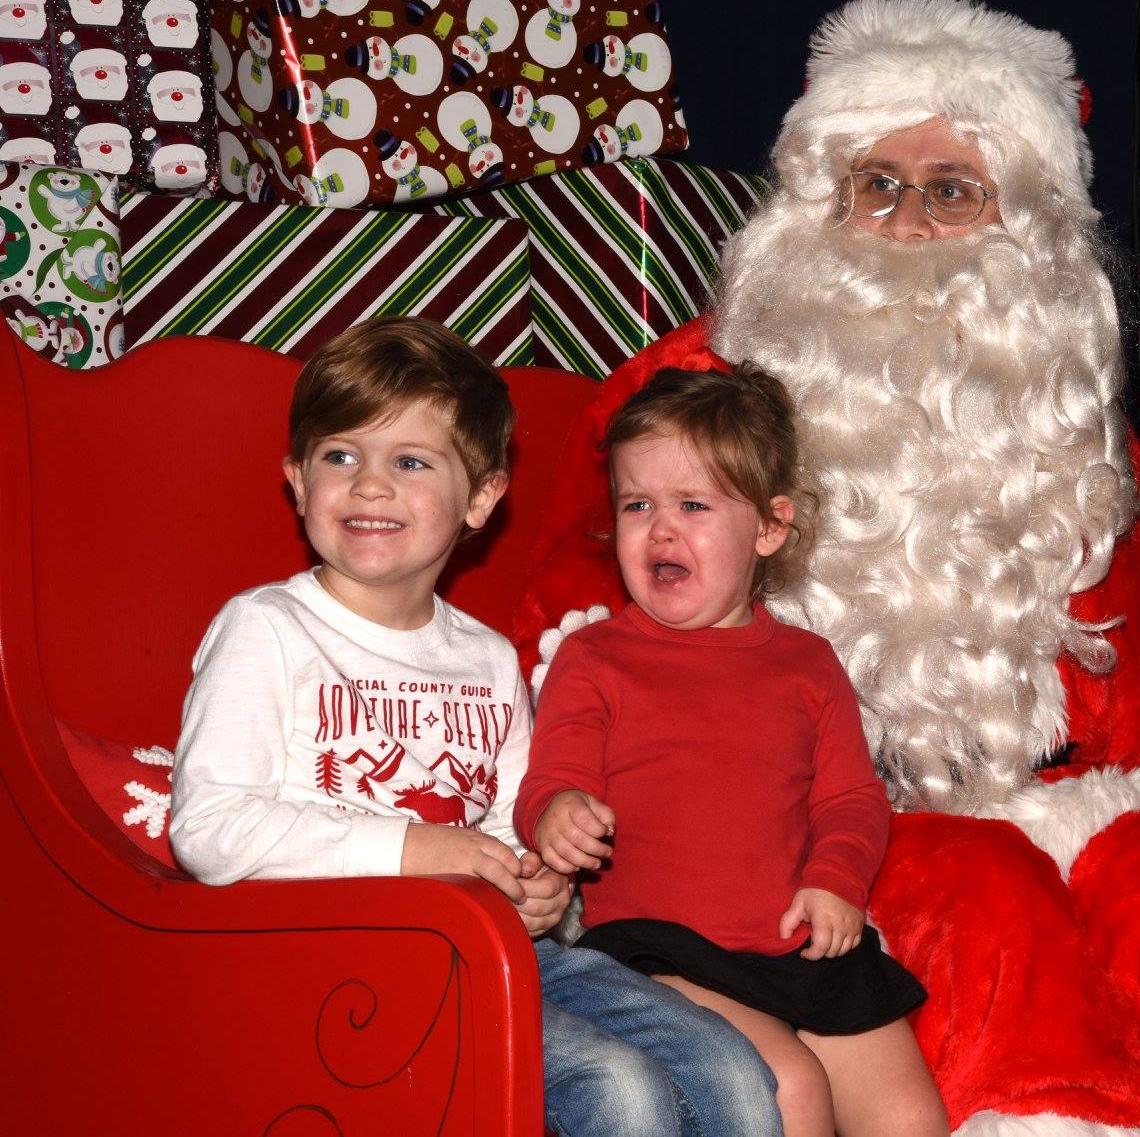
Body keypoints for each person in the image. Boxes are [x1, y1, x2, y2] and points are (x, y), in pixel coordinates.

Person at [517, 0, 1140, 1137]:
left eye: (950, 191)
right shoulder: (696, 399)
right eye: (875, 183)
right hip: (806, 822)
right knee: (984, 889)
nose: (903, 222)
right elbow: (583, 611)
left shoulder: (1070, 420)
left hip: (1053, 792)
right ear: (820, 197)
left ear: (1023, 221)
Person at [168, 316, 781, 1137]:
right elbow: (209, 829)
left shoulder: (486, 658)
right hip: (339, 960)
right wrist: (422, 850)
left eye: (410, 462)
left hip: (492, 948)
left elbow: (505, 824)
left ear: (482, 498)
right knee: (615, 1086)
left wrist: (535, 885)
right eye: (340, 456)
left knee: (730, 1065)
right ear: (297, 480)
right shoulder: (266, 628)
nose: (370, 485)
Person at [515, 366, 947, 1137]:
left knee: (910, 1118)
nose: (661, 529)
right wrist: (559, 811)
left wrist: (837, 879)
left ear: (770, 528)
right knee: (790, 1090)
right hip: (664, 954)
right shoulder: (595, 658)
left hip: (802, 947)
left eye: (693, 504)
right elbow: (553, 778)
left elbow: (851, 800)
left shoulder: (809, 664)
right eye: (637, 505)